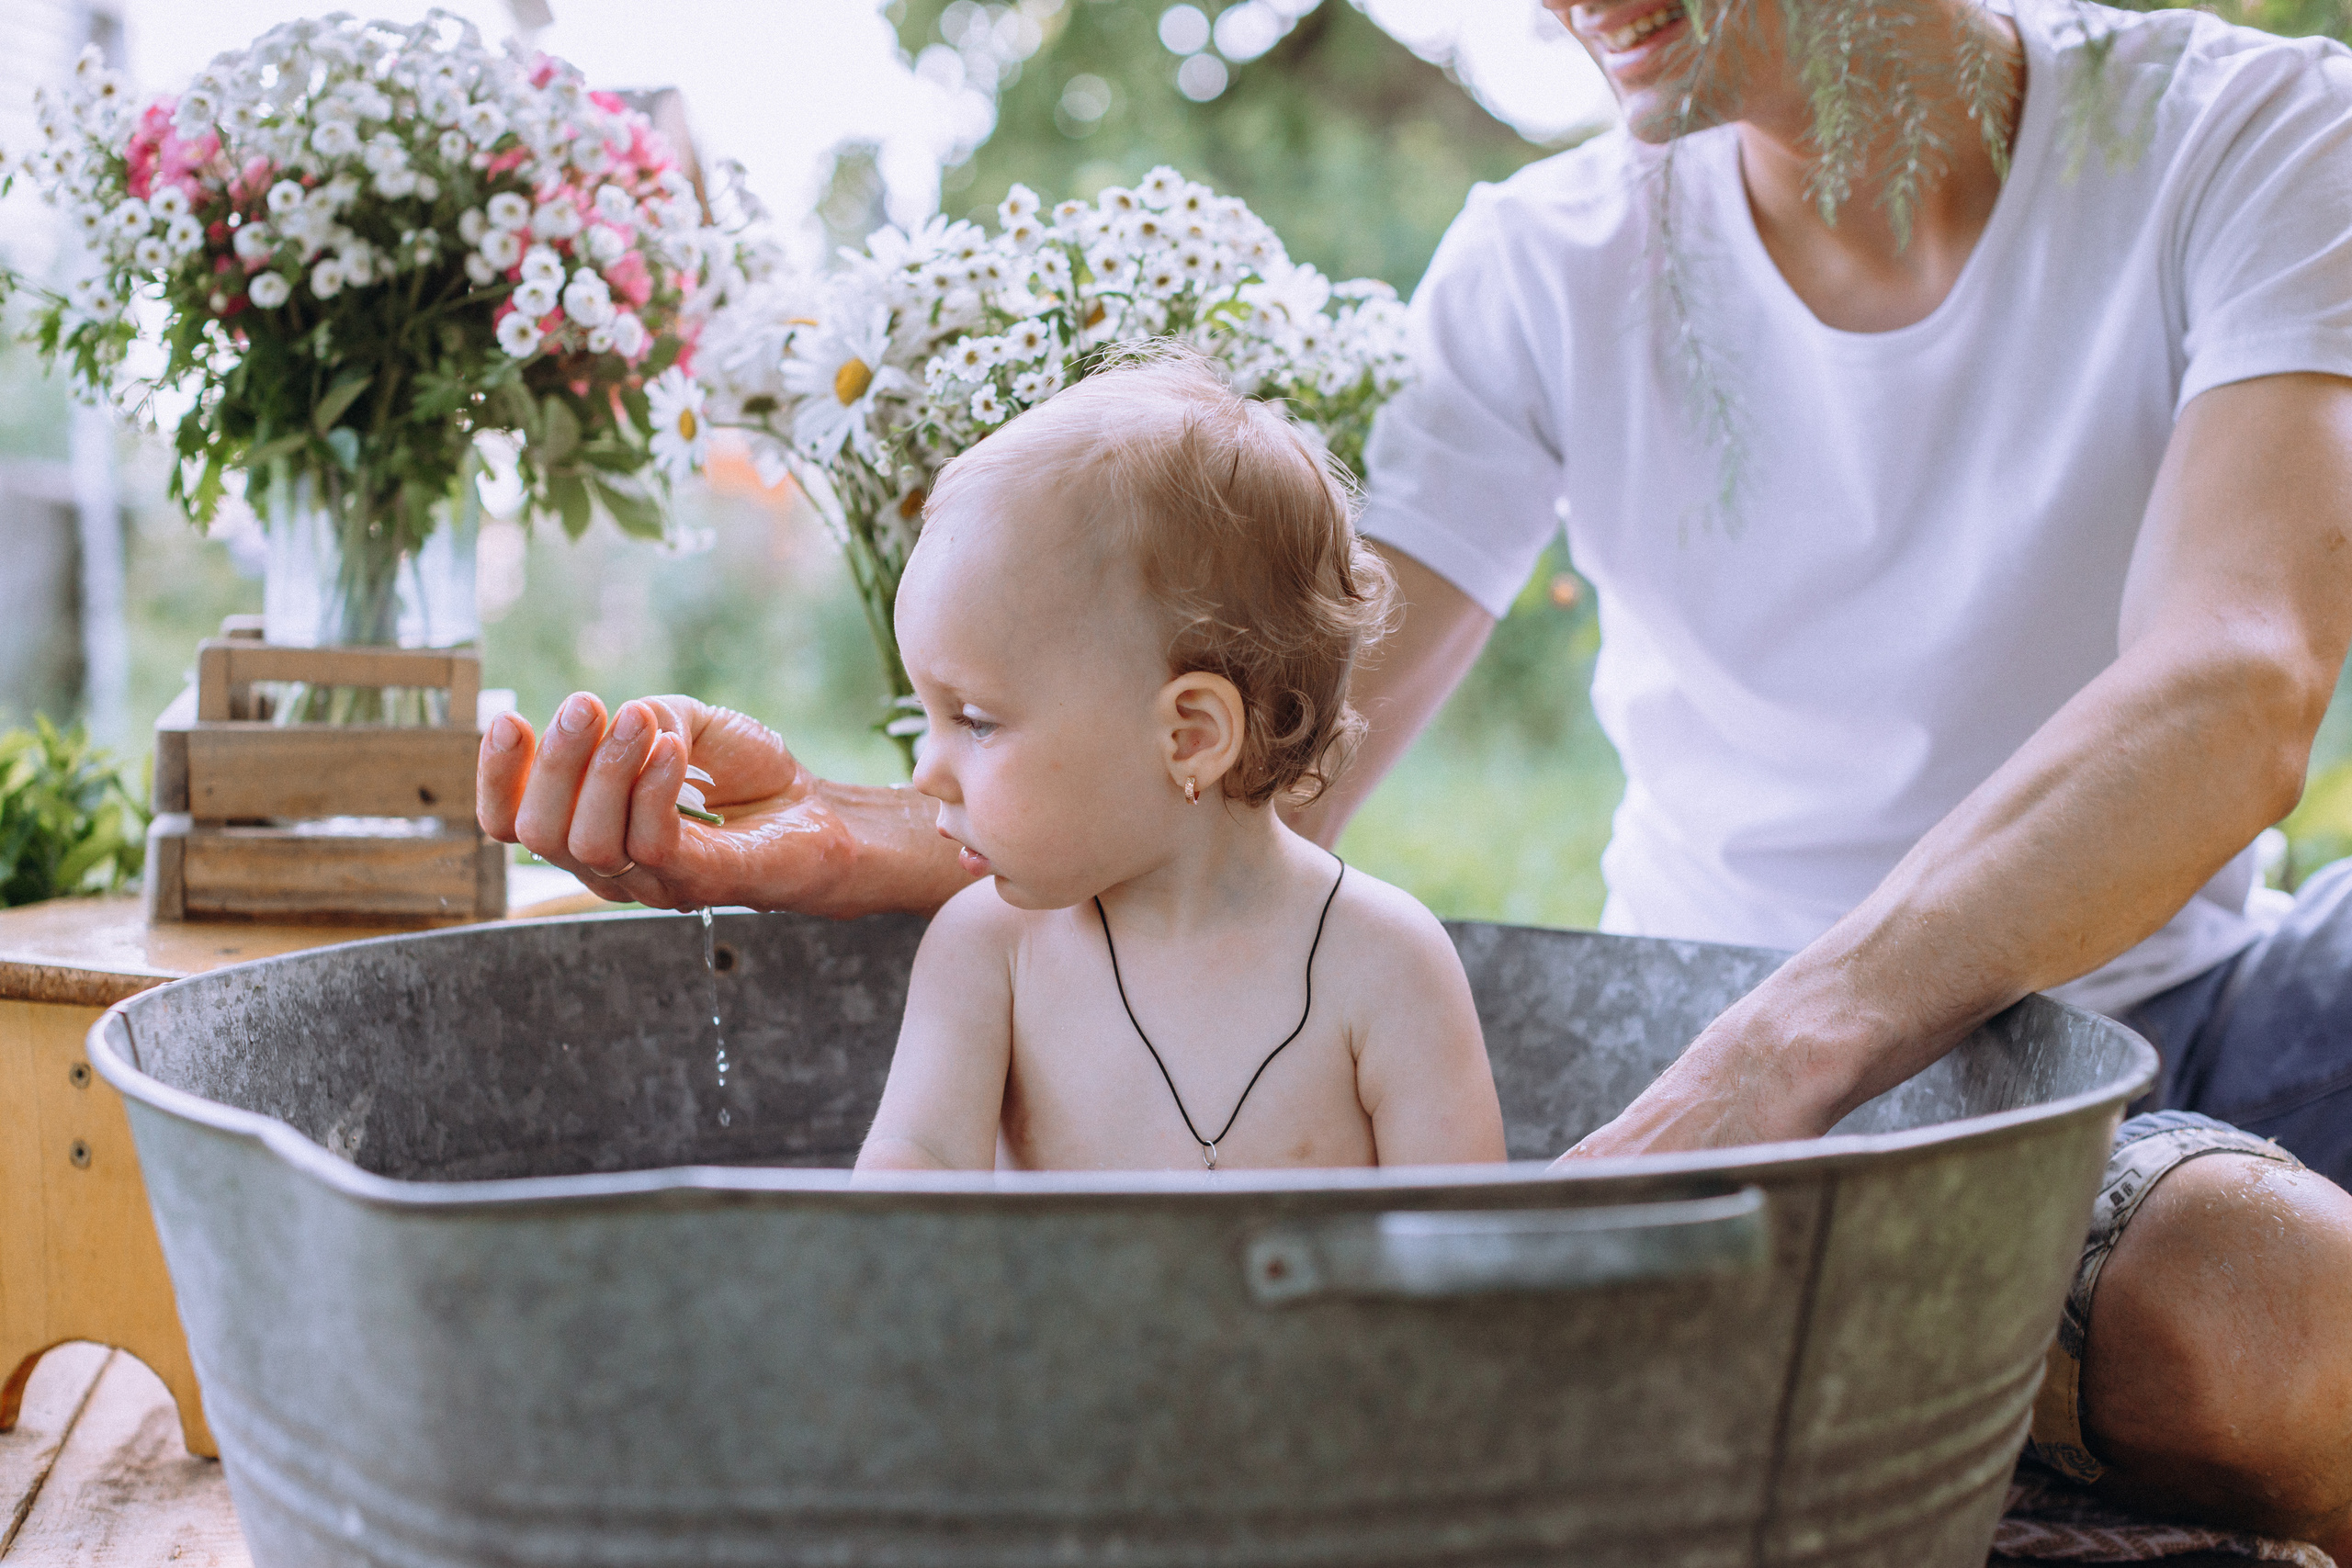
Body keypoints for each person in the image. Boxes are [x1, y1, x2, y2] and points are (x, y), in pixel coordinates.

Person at [479, 0, 2352, 1545]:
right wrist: (875, 823)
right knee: (2263, 1324)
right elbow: (1246, 754)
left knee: (2284, 1283)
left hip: (2140, 1001)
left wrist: (1761, 1069)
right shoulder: (1545, 262)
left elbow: (2234, 681)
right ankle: (1997, 1381)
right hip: (1815, 1105)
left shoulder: (2238, 134)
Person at [853, 355, 1505, 1173]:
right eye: (928, 716)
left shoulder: (1386, 966)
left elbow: (1465, 1249)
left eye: (976, 721)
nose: (925, 770)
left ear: (1190, 735)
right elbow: (903, 1195)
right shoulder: (990, 953)